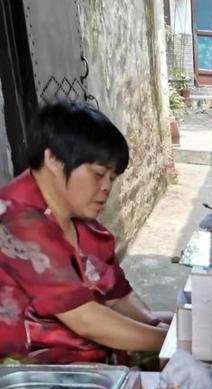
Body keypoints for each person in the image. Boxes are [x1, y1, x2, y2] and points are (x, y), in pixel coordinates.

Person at [0, 100, 169, 363]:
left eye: (112, 178)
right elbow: (86, 320)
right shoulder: (15, 221)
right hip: (33, 379)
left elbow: (117, 297)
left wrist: (157, 326)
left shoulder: (85, 224)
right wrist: (170, 342)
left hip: (97, 366)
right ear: (53, 160)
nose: (106, 187)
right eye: (98, 174)